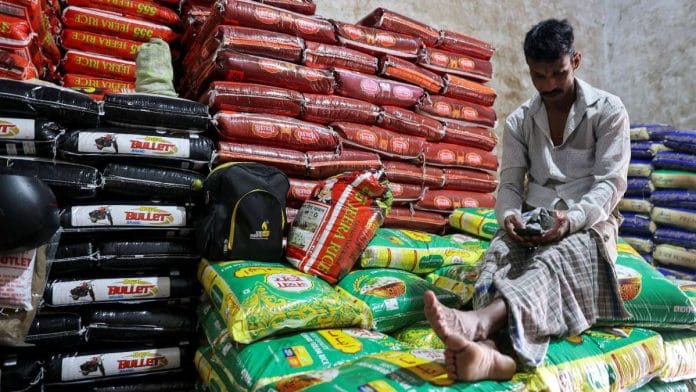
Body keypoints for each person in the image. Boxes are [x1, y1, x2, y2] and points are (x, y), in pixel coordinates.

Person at [424, 18, 631, 381]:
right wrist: (509, 218)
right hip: (532, 219)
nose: (549, 85)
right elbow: (509, 184)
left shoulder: (609, 110)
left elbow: (610, 185)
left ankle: (479, 322)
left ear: (576, 61)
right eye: (539, 76)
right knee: (499, 257)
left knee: (553, 261)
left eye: (558, 73)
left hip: (590, 223)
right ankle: (492, 355)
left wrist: (570, 221)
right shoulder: (520, 121)